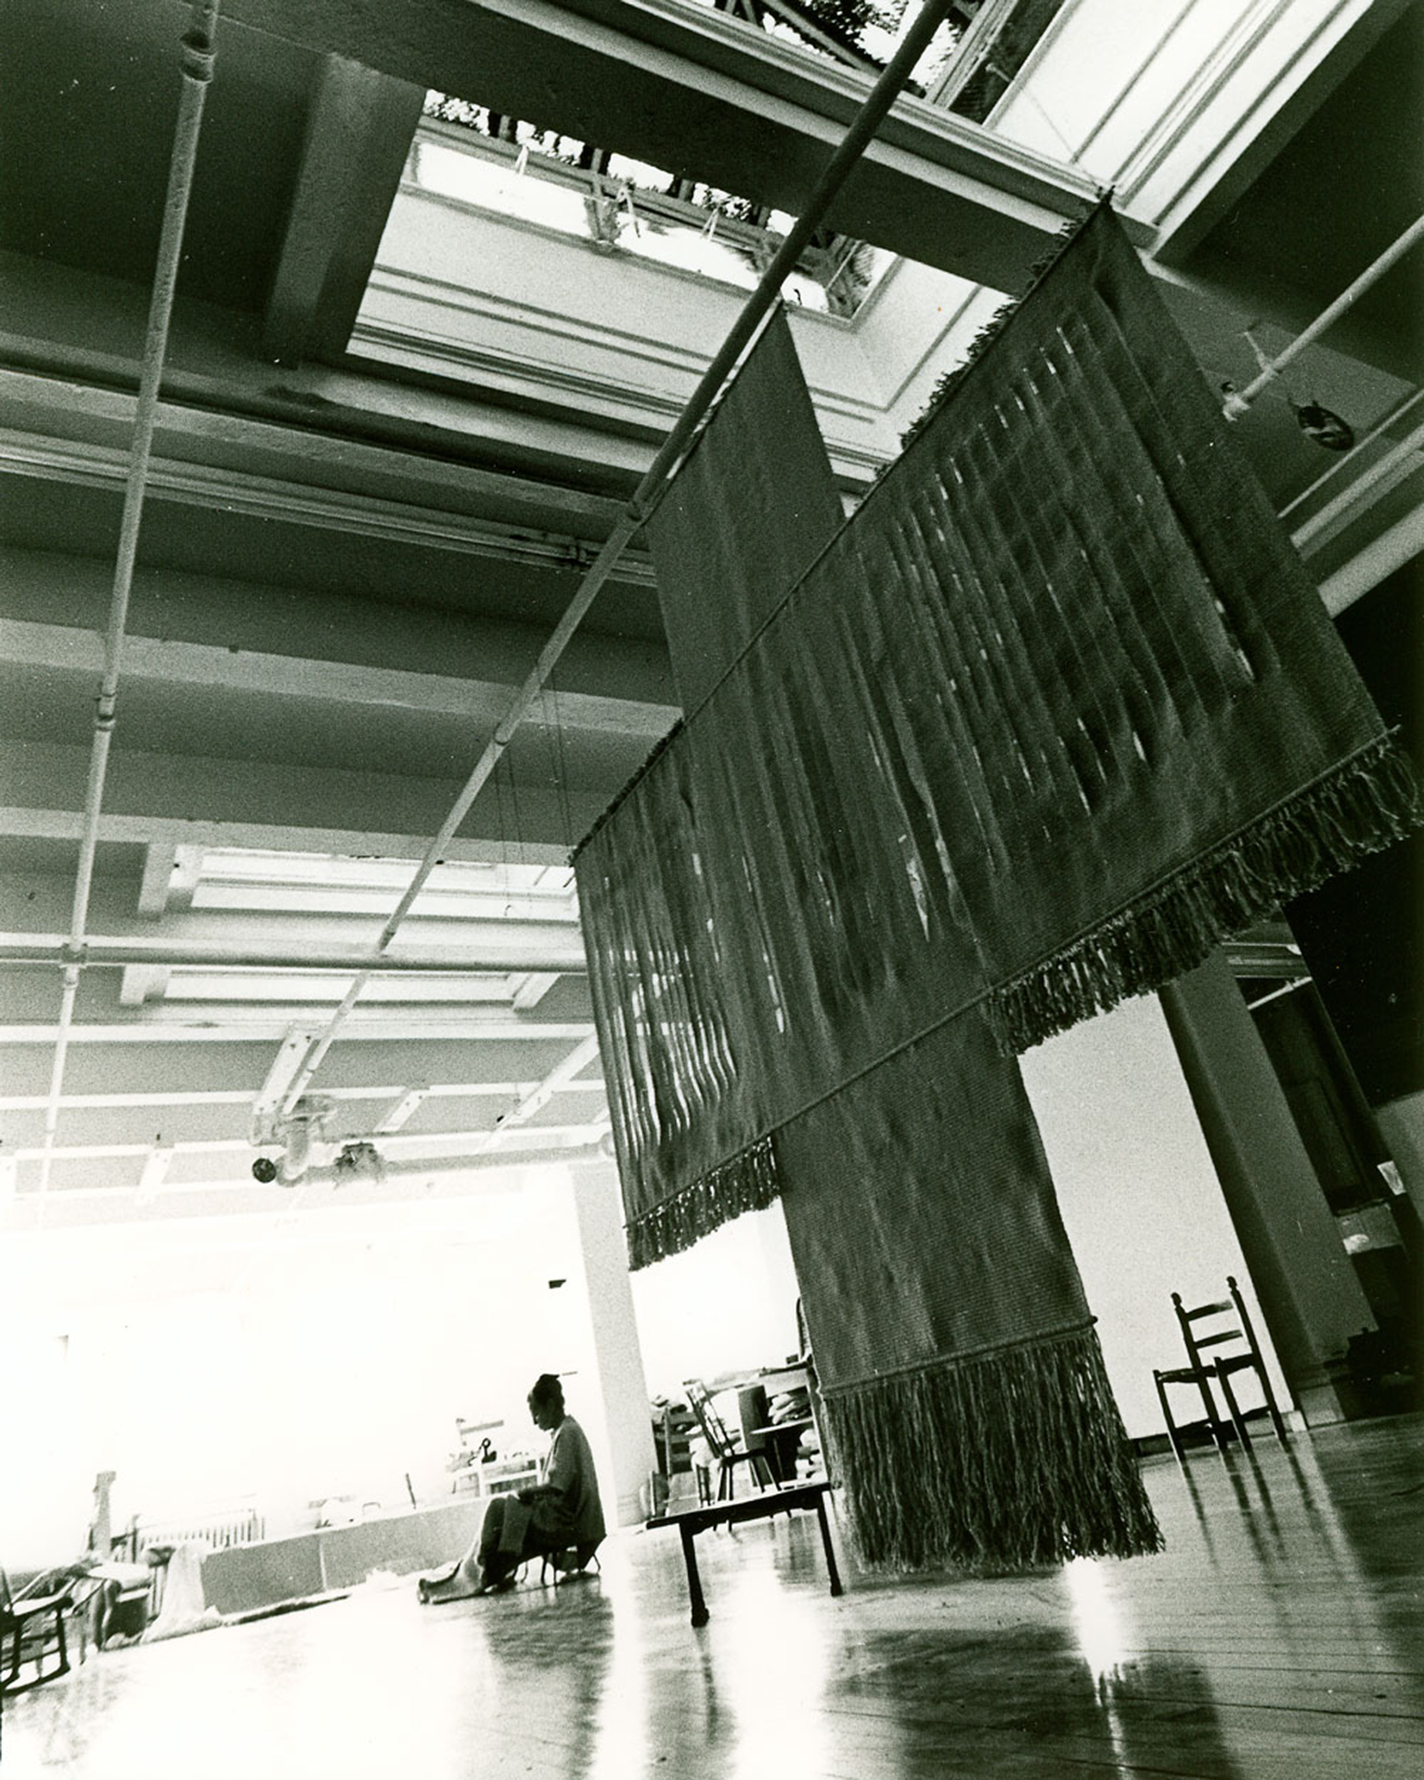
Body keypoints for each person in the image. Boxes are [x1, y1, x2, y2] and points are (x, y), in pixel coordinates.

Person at [418, 1373, 604, 1602]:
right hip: (564, 1513)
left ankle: (485, 1569)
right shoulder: (566, 1430)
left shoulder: (567, 1433)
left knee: (503, 1508)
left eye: (536, 1412)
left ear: (551, 1405)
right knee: (498, 1506)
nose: (535, 1421)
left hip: (566, 1520)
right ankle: (481, 1566)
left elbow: (557, 1486)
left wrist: (526, 1493)